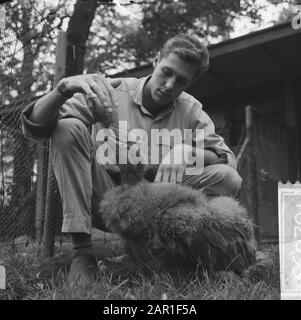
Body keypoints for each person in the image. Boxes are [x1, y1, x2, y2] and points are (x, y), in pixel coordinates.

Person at [21, 33, 242, 284]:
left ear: (189, 83)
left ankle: (194, 253)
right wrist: (61, 90)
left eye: (181, 81)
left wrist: (188, 152)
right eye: (166, 72)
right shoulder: (111, 91)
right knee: (67, 128)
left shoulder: (191, 110)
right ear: (156, 60)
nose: (170, 85)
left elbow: (226, 161)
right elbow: (36, 127)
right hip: (105, 199)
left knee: (228, 178)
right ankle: (82, 253)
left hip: (159, 208)